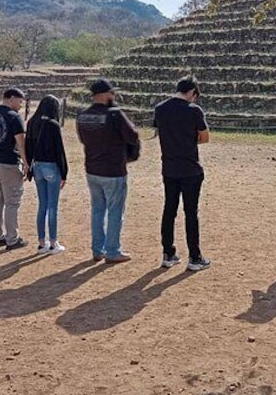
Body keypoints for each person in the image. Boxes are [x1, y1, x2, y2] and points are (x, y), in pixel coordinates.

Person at [76, 78, 140, 263]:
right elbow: (133, 135)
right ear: (104, 95)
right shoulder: (114, 114)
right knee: (114, 212)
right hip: (113, 170)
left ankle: (98, 249)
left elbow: (83, 139)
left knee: (97, 211)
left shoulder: (82, 115)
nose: (114, 95)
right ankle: (112, 250)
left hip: (92, 169)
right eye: (111, 92)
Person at [153, 76, 211, 272]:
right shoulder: (194, 110)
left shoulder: (160, 109)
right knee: (190, 213)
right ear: (192, 92)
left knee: (169, 210)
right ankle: (195, 257)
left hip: (169, 167)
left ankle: (168, 253)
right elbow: (205, 138)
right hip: (190, 168)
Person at [0, 88, 29, 251]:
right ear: (10, 98)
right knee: (12, 203)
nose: (21, 105)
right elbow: (20, 143)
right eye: (20, 101)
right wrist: (25, 162)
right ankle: (12, 239)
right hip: (8, 163)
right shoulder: (14, 117)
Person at [25, 95, 69, 254]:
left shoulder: (31, 122)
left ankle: (41, 243)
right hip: (51, 167)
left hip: (37, 167)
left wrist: (29, 166)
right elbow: (60, 151)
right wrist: (64, 173)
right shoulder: (53, 125)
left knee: (42, 205)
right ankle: (53, 243)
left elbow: (28, 146)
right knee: (53, 206)